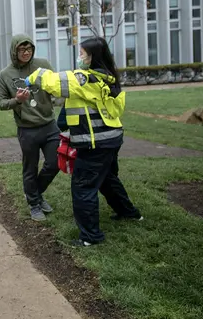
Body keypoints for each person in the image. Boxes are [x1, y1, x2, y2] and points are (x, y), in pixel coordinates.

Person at [26, 36, 142, 246]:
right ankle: (129, 213)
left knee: (83, 187)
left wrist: (33, 76)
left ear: (92, 57)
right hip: (111, 139)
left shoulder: (85, 79)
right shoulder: (107, 77)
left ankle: (90, 237)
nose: (79, 57)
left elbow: (54, 82)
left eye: (82, 54)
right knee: (106, 179)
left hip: (94, 143)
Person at [0, 34, 61, 221]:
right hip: (27, 129)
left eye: (29, 49)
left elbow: (55, 86)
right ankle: (34, 204)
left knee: (54, 163)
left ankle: (36, 193)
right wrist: (17, 100)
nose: (26, 52)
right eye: (22, 49)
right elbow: (0, 103)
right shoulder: (5, 75)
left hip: (49, 125)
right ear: (14, 51)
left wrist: (59, 96)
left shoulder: (43, 65)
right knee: (30, 168)